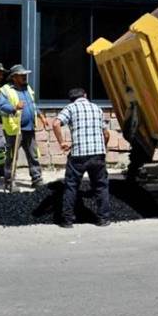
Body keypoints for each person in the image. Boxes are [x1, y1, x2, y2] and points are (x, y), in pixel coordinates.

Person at [51, 88, 111, 228]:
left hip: (78, 155)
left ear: (71, 99)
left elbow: (55, 124)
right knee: (101, 186)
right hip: (98, 154)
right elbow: (106, 134)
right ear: (85, 96)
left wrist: (62, 142)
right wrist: (102, 148)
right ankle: (103, 219)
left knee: (71, 186)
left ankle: (67, 221)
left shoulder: (70, 108)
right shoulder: (97, 108)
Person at [0, 64, 46, 189]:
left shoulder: (27, 88)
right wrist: (15, 107)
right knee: (11, 157)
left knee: (33, 155)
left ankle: (37, 179)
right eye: (22, 75)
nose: (25, 77)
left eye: (25, 75)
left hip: (29, 128)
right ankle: (9, 182)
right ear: (14, 77)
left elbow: (33, 104)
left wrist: (41, 116)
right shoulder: (6, 90)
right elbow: (2, 107)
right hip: (15, 130)